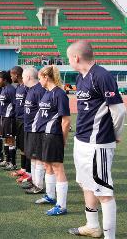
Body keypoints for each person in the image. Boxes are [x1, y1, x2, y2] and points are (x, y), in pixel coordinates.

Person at [67, 41, 126, 238]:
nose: (69, 61)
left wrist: (115, 134)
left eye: (69, 58)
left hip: (97, 143)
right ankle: (92, 226)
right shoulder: (81, 77)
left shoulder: (102, 75)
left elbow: (118, 110)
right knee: (86, 184)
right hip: (81, 141)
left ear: (76, 57)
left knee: (104, 192)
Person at [35, 65, 70, 216]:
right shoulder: (47, 93)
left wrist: (62, 139)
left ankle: (61, 206)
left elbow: (66, 121)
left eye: (40, 78)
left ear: (46, 77)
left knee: (57, 168)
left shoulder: (60, 94)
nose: (39, 81)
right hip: (44, 134)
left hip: (54, 135)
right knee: (47, 164)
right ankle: (50, 196)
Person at [22, 67, 47, 195]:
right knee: (32, 157)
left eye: (23, 76)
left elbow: (43, 111)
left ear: (29, 77)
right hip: (29, 128)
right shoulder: (31, 90)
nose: (22, 79)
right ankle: (34, 182)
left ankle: (39, 185)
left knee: (38, 158)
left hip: (36, 129)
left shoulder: (39, 90)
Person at [10, 66, 31, 183]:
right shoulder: (18, 87)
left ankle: (28, 172)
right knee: (21, 147)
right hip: (18, 120)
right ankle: (23, 169)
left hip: (25, 121)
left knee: (26, 147)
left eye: (12, 75)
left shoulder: (27, 88)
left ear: (16, 75)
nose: (11, 77)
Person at [0, 71, 17, 171]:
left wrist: (12, 117)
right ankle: (7, 160)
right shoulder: (4, 89)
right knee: (5, 138)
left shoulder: (11, 89)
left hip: (9, 118)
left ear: (4, 80)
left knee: (10, 139)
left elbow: (15, 104)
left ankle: (12, 163)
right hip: (4, 117)